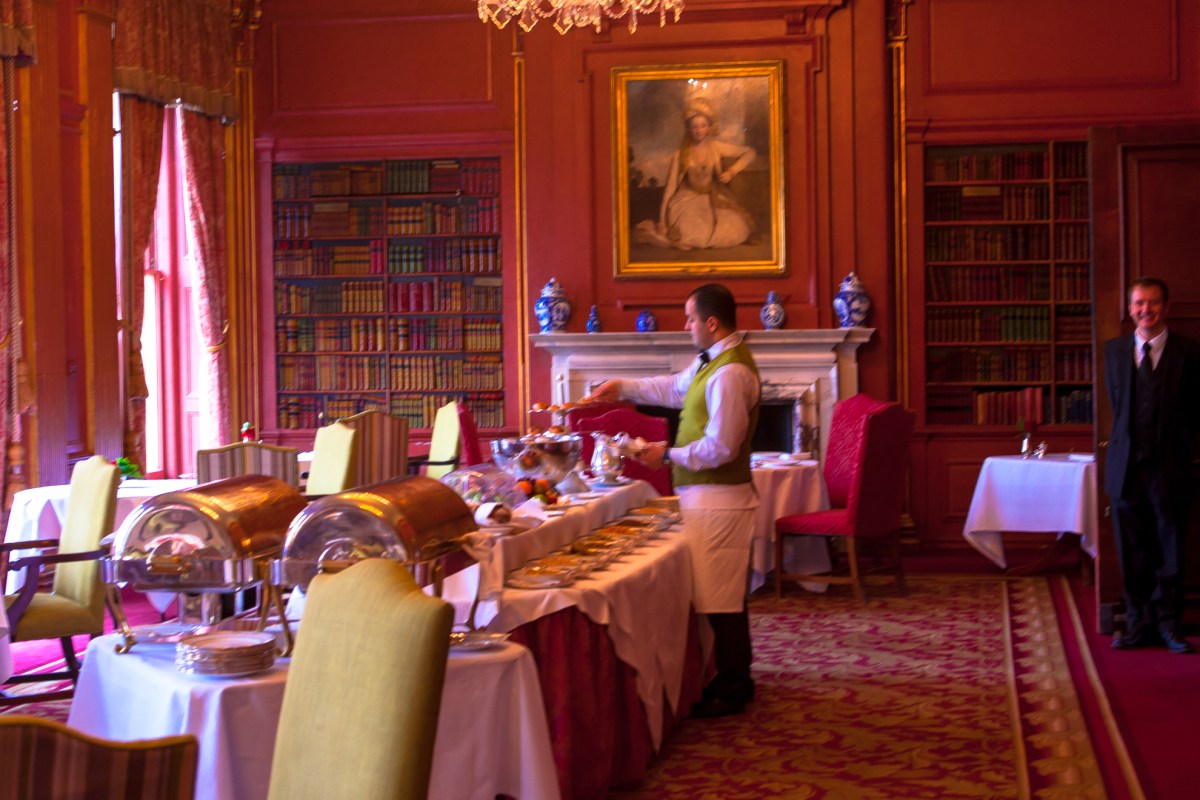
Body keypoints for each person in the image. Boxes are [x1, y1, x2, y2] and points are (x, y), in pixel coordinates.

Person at [583, 283, 760, 716]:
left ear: (711, 323)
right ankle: (734, 679)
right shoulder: (711, 362)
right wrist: (622, 387)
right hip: (707, 498)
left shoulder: (731, 373)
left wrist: (666, 455)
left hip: (721, 500)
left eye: (690, 319)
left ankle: (734, 687)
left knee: (721, 599)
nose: (686, 326)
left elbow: (721, 449)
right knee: (717, 596)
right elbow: (673, 389)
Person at [1103, 277, 1200, 654]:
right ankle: (1137, 624)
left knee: (1171, 550)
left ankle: (1169, 625)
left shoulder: (1189, 353)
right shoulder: (1113, 351)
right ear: (1130, 309)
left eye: (1154, 302)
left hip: (1170, 469)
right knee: (1132, 552)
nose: (1146, 310)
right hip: (1126, 469)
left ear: (1166, 307)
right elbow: (1116, 406)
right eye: (1139, 303)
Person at [634, 98, 757, 251]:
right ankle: (661, 236)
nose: (699, 131)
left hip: (712, 197)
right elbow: (670, 188)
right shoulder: (681, 154)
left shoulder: (716, 147)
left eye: (703, 126)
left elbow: (750, 153)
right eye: (695, 127)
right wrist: (662, 220)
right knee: (692, 233)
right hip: (687, 200)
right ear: (689, 129)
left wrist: (731, 171)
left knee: (734, 228)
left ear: (709, 127)